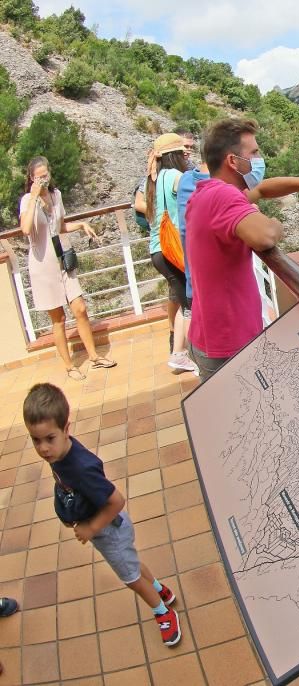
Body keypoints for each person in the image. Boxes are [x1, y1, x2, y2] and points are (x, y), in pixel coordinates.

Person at [23, 383, 181, 647]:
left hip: (110, 532)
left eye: (49, 438)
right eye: (36, 440)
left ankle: (163, 612)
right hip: (109, 531)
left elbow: (117, 501)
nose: (43, 448)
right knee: (133, 562)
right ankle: (159, 589)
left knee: (130, 579)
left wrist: (91, 528)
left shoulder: (80, 469)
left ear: (66, 429)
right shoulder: (61, 454)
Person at [185, 117, 299, 380]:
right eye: (254, 153)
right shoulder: (223, 196)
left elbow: (261, 189)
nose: (260, 159)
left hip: (212, 336)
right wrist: (274, 221)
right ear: (233, 161)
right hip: (228, 345)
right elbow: (266, 236)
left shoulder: (207, 192)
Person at [19, 157, 117, 381]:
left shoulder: (56, 195)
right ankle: (69, 366)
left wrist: (81, 225)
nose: (44, 180)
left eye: (46, 175)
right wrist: (34, 196)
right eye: (39, 177)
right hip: (43, 265)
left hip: (63, 258)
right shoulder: (27, 200)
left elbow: (60, 225)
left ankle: (93, 356)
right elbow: (25, 229)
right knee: (59, 319)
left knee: (80, 308)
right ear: (31, 179)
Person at [145, 133, 198, 373]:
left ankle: (180, 353)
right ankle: (183, 353)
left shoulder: (154, 179)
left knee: (184, 302)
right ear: (175, 155)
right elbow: (198, 194)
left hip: (158, 251)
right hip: (172, 249)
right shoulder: (175, 176)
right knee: (191, 302)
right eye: (182, 152)